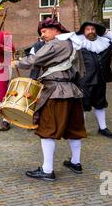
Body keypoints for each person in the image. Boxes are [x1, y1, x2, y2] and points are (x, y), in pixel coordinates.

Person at [12, 18, 86, 181]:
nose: (42, 35)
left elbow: (35, 59)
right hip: (72, 92)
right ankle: (75, 162)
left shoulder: (55, 44)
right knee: (74, 128)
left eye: (44, 31)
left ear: (56, 30)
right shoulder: (74, 45)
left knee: (47, 130)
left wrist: (18, 62)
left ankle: (47, 171)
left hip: (56, 92)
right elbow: (81, 70)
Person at [76, 21, 112, 139]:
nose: (90, 31)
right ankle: (80, 129)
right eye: (87, 29)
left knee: (100, 103)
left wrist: (105, 32)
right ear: (83, 31)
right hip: (85, 80)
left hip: (101, 78)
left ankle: (102, 128)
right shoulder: (78, 43)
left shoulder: (105, 43)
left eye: (93, 29)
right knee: (84, 105)